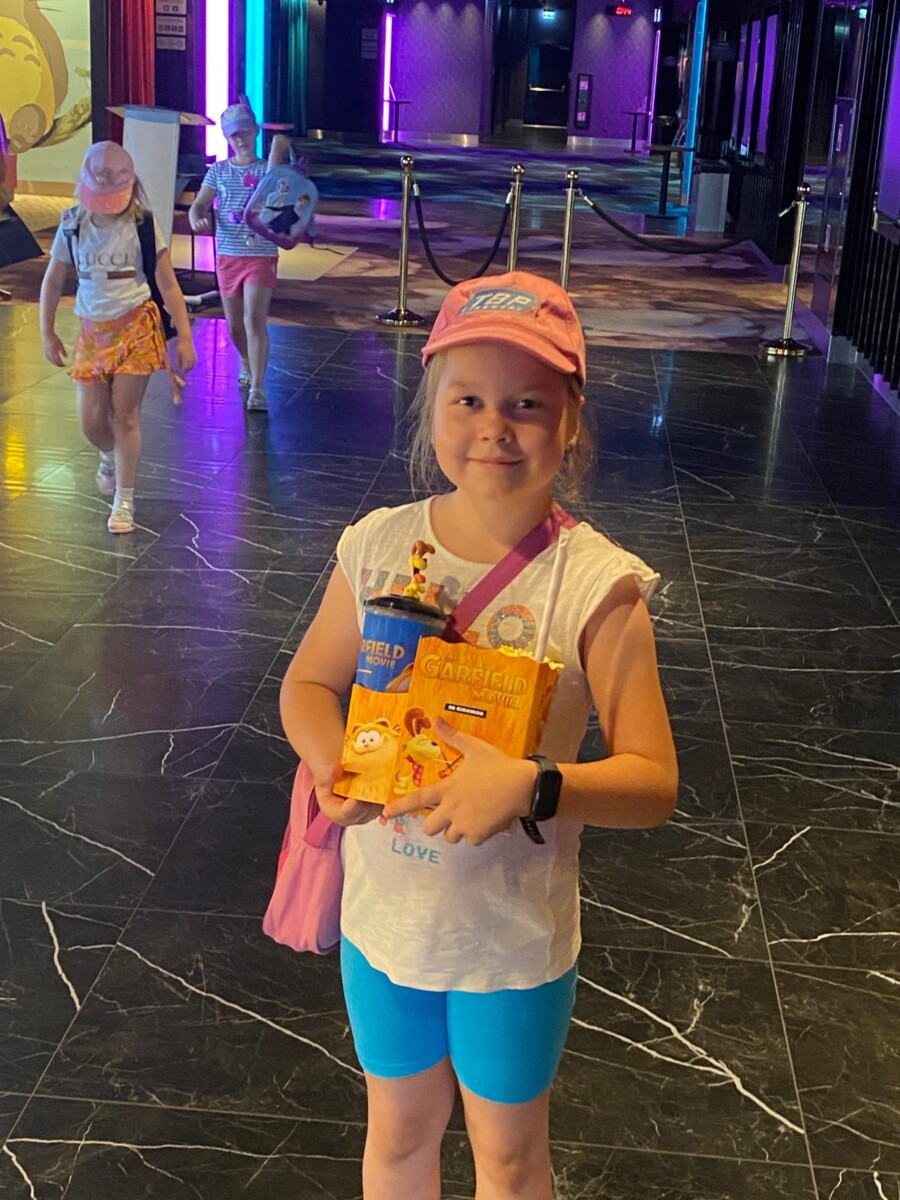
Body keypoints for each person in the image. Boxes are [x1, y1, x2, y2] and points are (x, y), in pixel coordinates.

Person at [279, 270, 678, 1200]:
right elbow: (307, 684)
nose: (495, 426)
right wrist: (332, 763)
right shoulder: (378, 546)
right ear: (431, 413)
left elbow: (653, 780)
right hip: (384, 921)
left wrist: (536, 785)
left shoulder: (597, 587)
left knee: (508, 1157)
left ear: (571, 423)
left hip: (510, 940)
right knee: (397, 1137)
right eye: (467, 400)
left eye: (527, 403)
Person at [39, 141, 196, 535]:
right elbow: (54, 279)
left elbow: (167, 283)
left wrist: (185, 336)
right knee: (91, 422)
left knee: (125, 416)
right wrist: (47, 331)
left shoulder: (142, 224)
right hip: (93, 331)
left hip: (136, 326)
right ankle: (108, 456)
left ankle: (124, 500)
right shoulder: (73, 224)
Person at [189, 103, 288, 413]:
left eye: (245, 132)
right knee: (234, 325)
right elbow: (200, 203)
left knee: (254, 317)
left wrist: (279, 156)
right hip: (228, 255)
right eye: (234, 135)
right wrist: (196, 215)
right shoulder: (218, 171)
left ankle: (258, 386)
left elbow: (278, 200)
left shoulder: (267, 170)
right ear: (227, 138)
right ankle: (246, 359)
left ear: (255, 131)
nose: (240, 139)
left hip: (261, 254)